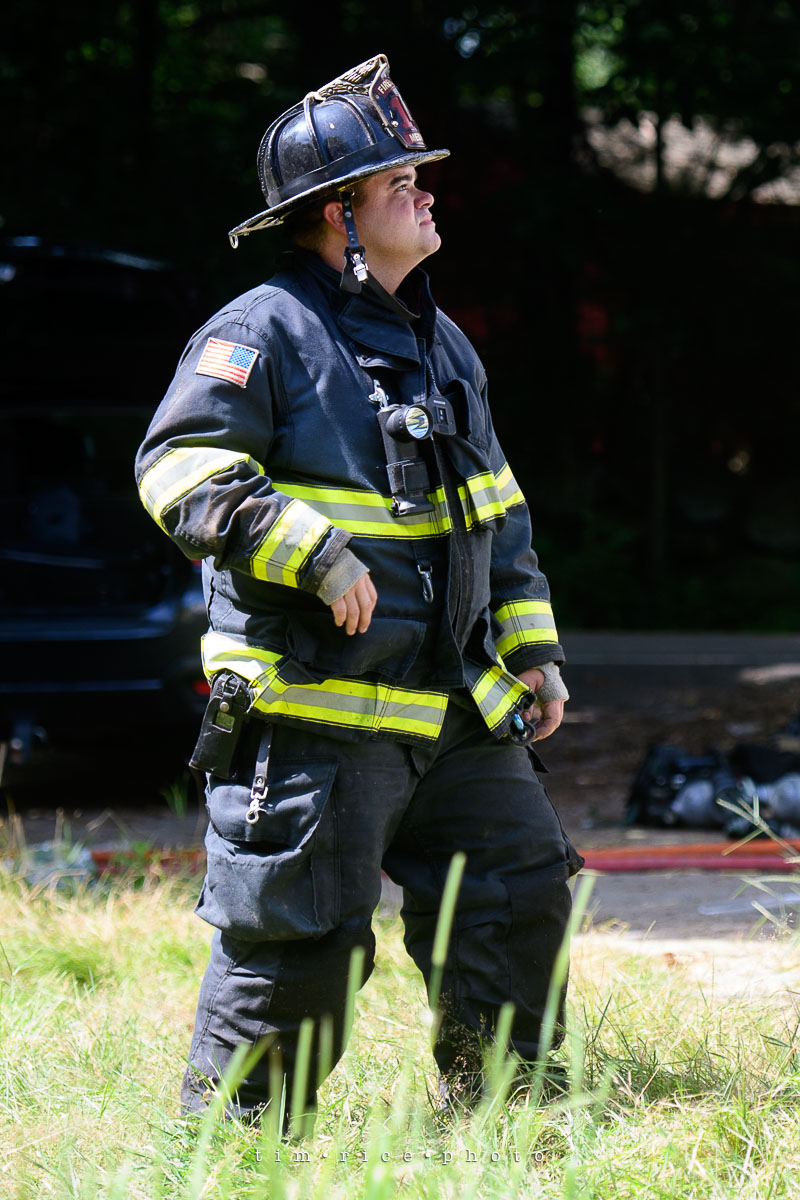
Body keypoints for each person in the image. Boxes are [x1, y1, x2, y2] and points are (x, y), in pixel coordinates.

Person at [135, 53, 582, 1125]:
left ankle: (505, 1129)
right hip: (316, 719)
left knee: (517, 903)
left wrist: (532, 650)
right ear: (339, 214)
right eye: (400, 183)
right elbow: (179, 468)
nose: (426, 197)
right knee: (300, 951)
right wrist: (314, 552)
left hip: (458, 713)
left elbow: (497, 508)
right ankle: (236, 1160)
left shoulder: (441, 343)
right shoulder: (259, 332)